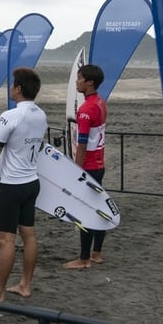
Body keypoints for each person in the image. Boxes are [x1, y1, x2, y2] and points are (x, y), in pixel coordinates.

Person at [0, 67, 47, 301]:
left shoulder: (11, 116)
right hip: (32, 182)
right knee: (28, 234)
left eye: (12, 84)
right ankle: (25, 285)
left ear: (18, 88)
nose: (10, 88)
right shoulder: (41, 115)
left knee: (5, 239)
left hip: (13, 185)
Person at [63, 64, 109, 269]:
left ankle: (84, 259)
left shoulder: (85, 109)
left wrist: (77, 170)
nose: (77, 81)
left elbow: (81, 144)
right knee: (98, 208)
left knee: (85, 211)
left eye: (80, 79)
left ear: (90, 82)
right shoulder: (100, 102)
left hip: (88, 167)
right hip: (99, 164)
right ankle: (97, 253)